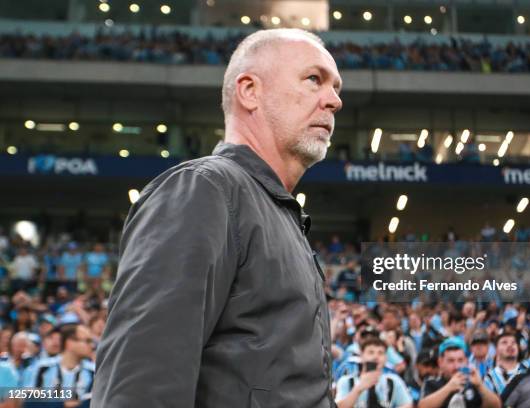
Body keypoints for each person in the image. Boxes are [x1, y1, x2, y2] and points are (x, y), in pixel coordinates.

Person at [92, 28, 343, 407]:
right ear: (249, 91)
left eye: (337, 87)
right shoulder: (205, 189)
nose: (335, 101)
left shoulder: (275, 212)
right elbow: (141, 382)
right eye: (314, 79)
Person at [24, 324, 95, 407]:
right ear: (70, 342)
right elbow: (28, 402)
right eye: (88, 341)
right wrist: (62, 404)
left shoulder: (93, 371)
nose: (92, 346)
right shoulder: (42, 368)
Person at [419, 337, 501, 408]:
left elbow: (496, 405)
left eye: (460, 360)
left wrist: (480, 386)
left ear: (466, 361)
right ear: (440, 362)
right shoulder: (431, 382)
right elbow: (422, 406)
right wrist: (449, 387)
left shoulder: (473, 382)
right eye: (451, 361)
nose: (456, 366)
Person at [335, 337, 413, 408]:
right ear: (361, 356)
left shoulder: (393, 381)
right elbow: (339, 406)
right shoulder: (346, 381)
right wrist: (358, 389)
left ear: (386, 358)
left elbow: (407, 405)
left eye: (380, 353)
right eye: (371, 352)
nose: (376, 356)